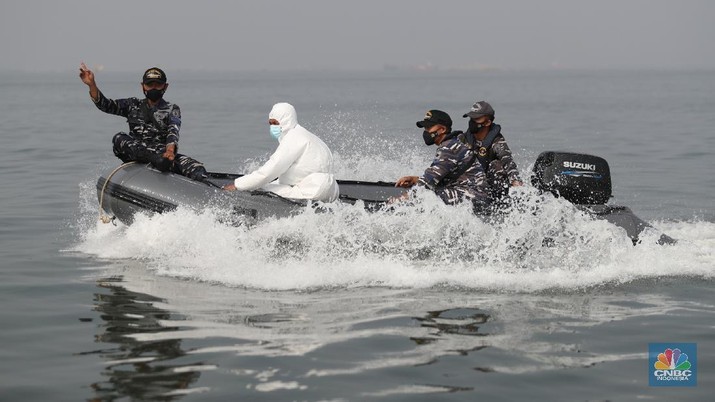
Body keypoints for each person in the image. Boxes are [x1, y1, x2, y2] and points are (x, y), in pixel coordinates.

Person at [78, 63, 208, 181]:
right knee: (118, 138)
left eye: (158, 84)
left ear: (165, 86)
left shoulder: (172, 109)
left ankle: (217, 189)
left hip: (162, 153)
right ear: (143, 86)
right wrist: (92, 85)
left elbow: (173, 131)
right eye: (150, 85)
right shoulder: (132, 105)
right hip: (136, 151)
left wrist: (169, 150)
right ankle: (156, 160)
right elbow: (105, 105)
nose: (153, 88)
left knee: (195, 166)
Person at [223, 103, 339, 202]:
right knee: (271, 185)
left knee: (260, 188)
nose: (272, 127)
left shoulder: (292, 138)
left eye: (275, 123)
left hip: (311, 191)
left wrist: (238, 185)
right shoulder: (306, 135)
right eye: (270, 123)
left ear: (286, 121)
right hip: (331, 190)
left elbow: (268, 172)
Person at [395, 110, 489, 210]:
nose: (426, 131)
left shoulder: (449, 148)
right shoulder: (451, 143)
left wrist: (400, 200)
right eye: (425, 128)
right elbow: (437, 176)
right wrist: (414, 179)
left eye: (429, 127)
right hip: (472, 194)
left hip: (474, 198)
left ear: (442, 129)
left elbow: (428, 181)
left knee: (426, 196)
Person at [462, 101, 522, 201]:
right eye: (471, 118)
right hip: (469, 184)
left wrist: (515, 180)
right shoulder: (463, 139)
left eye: (476, 119)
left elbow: (507, 160)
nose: (472, 122)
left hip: (490, 187)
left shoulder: (497, 141)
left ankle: (499, 204)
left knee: (497, 165)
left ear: (487, 122)